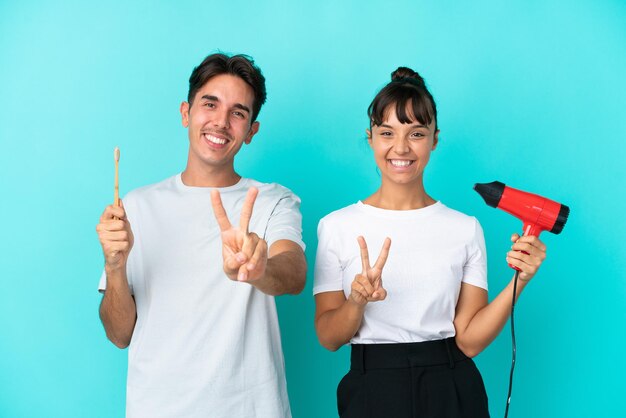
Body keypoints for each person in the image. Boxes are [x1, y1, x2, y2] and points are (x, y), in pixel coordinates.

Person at [313, 67, 548, 417]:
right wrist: (357, 302)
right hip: (371, 389)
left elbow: (468, 341)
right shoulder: (336, 226)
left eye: (417, 133)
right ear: (371, 138)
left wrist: (520, 280)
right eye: (387, 132)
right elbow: (329, 338)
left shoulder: (465, 228)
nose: (401, 147)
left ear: (435, 139)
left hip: (451, 387)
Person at [96, 53, 307, 418]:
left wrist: (259, 269)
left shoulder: (273, 199)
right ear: (186, 112)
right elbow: (119, 335)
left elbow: (294, 273)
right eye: (210, 104)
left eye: (238, 113)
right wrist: (115, 266)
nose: (221, 122)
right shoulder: (137, 206)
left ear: (251, 130)